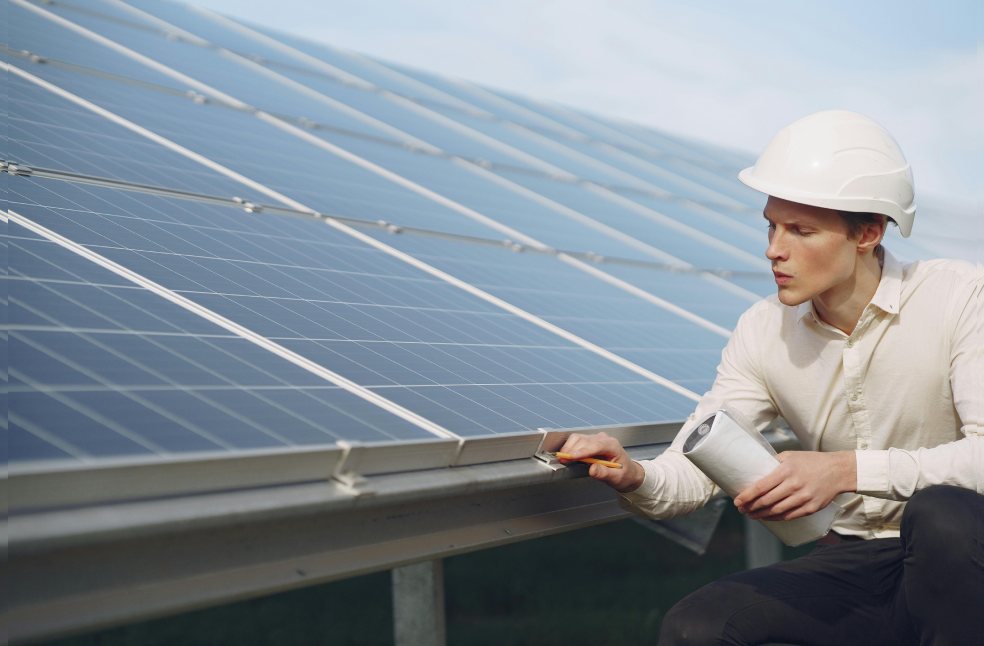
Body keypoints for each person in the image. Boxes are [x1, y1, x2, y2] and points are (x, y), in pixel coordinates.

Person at [558, 110, 983, 645]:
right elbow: (692, 471)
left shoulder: (960, 297)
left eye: (801, 230)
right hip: (858, 563)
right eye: (771, 225)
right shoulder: (762, 331)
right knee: (696, 629)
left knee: (943, 514)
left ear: (868, 233)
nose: (773, 249)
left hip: (968, 558)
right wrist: (632, 474)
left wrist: (842, 471)